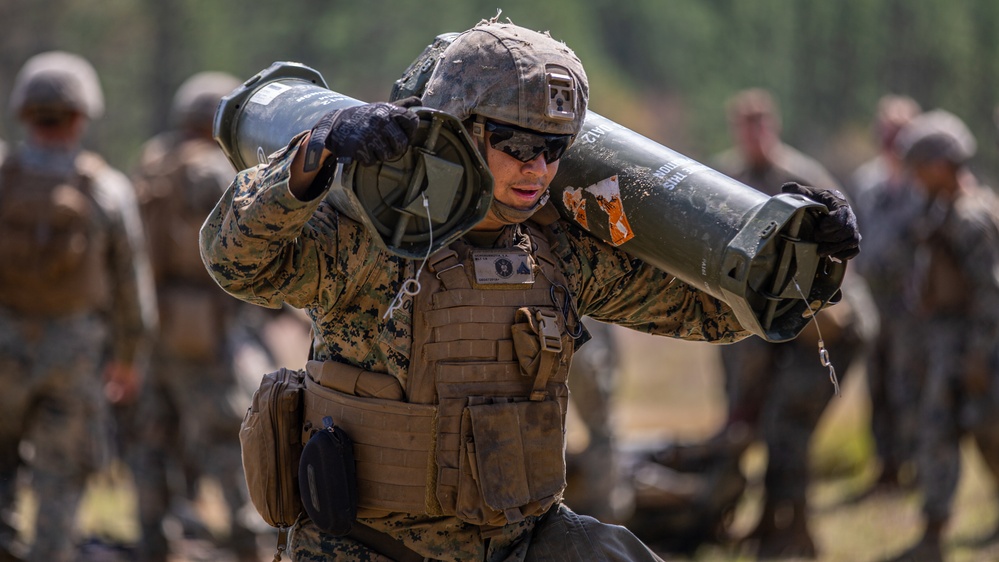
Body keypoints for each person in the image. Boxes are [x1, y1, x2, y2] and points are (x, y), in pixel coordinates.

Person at [200, 20, 860, 561]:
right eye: (514, 142)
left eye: (553, 147)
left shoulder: (553, 249)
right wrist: (310, 161)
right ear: (457, 128)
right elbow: (239, 263)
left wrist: (804, 258)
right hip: (365, 547)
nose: (536, 167)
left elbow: (705, 313)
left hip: (516, 544)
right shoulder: (374, 235)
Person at [671, 87, 874, 559]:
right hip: (761, 330)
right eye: (746, 124)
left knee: (787, 428)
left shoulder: (801, 178)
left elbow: (844, 257)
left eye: (762, 123)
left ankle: (793, 532)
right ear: (736, 130)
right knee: (744, 424)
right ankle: (765, 522)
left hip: (824, 328)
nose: (754, 134)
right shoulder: (727, 177)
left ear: (773, 127)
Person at [0, 51, 157, 562]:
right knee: (60, 481)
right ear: (81, 116)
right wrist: (129, 359)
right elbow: (132, 290)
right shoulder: (105, 188)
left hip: (3, 348)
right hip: (75, 356)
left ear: (24, 112)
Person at [127, 71, 266, 562]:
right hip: (201, 322)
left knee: (154, 435)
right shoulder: (211, 169)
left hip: (154, 318)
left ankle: (151, 537)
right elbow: (240, 244)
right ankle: (246, 536)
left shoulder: (152, 160)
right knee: (225, 433)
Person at [885, 110, 999, 562]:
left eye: (919, 166)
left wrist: (978, 356)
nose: (914, 176)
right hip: (947, 344)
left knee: (988, 433)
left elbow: (991, 295)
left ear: (941, 164)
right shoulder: (940, 211)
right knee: (939, 430)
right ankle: (933, 531)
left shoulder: (971, 219)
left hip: (973, 346)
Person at [849, 95, 924, 493]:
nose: (891, 141)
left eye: (899, 134)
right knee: (876, 384)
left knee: (909, 385)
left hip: (912, 303)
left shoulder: (924, 183)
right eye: (886, 133)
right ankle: (886, 465)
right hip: (874, 300)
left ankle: (915, 465)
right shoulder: (868, 181)